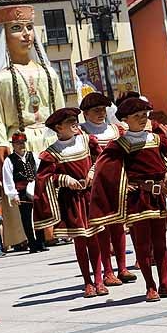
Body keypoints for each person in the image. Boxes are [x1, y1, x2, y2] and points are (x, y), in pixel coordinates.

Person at [89, 95, 167, 302]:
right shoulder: (119, 144)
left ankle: (166, 283)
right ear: (125, 119)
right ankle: (150, 286)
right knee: (143, 246)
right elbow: (106, 169)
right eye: (138, 116)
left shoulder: (157, 139)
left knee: (161, 244)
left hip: (157, 197)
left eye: (145, 115)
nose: (143, 119)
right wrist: (123, 186)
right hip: (137, 199)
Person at [0, 5, 65, 250]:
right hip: (21, 141)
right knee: (26, 190)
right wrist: (1, 145)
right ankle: (29, 236)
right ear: (4, 37)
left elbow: (60, 108)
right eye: (17, 29)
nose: (26, 34)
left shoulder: (49, 72)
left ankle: (60, 228)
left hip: (50, 138)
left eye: (29, 27)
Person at [34, 108, 106, 298]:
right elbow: (44, 178)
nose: (75, 123)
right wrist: (65, 180)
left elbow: (100, 160)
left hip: (89, 197)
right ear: (58, 127)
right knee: (80, 242)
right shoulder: (52, 153)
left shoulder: (87, 141)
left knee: (94, 239)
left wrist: (91, 172)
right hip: (71, 200)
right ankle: (87, 282)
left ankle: (99, 280)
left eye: (76, 120)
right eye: (70, 121)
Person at [79, 91, 133, 286]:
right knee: (102, 228)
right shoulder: (81, 133)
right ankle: (108, 272)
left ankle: (123, 267)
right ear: (85, 113)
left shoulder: (116, 130)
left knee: (118, 227)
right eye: (96, 110)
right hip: (96, 185)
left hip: (117, 182)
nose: (101, 113)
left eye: (103, 109)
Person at [1, 132, 46, 253]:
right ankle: (32, 244)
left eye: (22, 143)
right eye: (18, 143)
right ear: (13, 145)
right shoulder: (9, 160)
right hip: (21, 192)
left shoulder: (33, 155)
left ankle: (41, 242)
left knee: (38, 216)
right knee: (26, 218)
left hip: (35, 190)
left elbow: (40, 170)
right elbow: (8, 178)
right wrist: (13, 194)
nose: (21, 145)